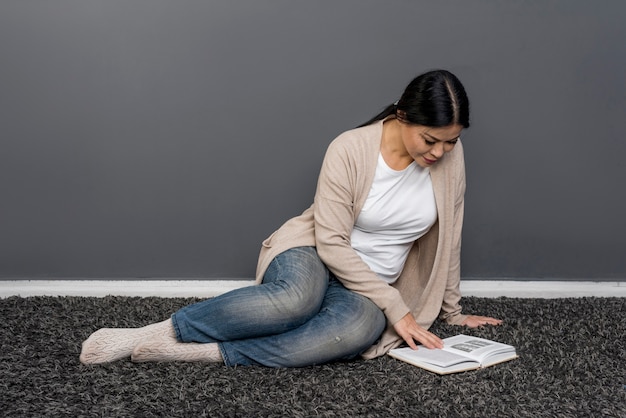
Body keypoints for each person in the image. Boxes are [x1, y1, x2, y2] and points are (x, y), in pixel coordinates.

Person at [80, 69, 502, 367]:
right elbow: (333, 243)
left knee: (355, 333)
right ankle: (155, 333)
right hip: (315, 251)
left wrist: (452, 311)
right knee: (295, 301)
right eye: (431, 140)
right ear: (402, 116)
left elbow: (451, 233)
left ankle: (205, 353)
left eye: (451, 142)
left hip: (372, 283)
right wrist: (397, 307)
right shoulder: (350, 149)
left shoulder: (450, 158)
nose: (440, 153)